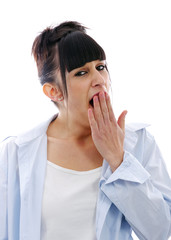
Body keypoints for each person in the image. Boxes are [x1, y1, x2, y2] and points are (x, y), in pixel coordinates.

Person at [0, 21, 171, 240]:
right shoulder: (14, 153)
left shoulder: (137, 142)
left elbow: (159, 231)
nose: (100, 80)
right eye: (81, 73)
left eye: (101, 67)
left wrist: (118, 160)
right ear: (53, 91)